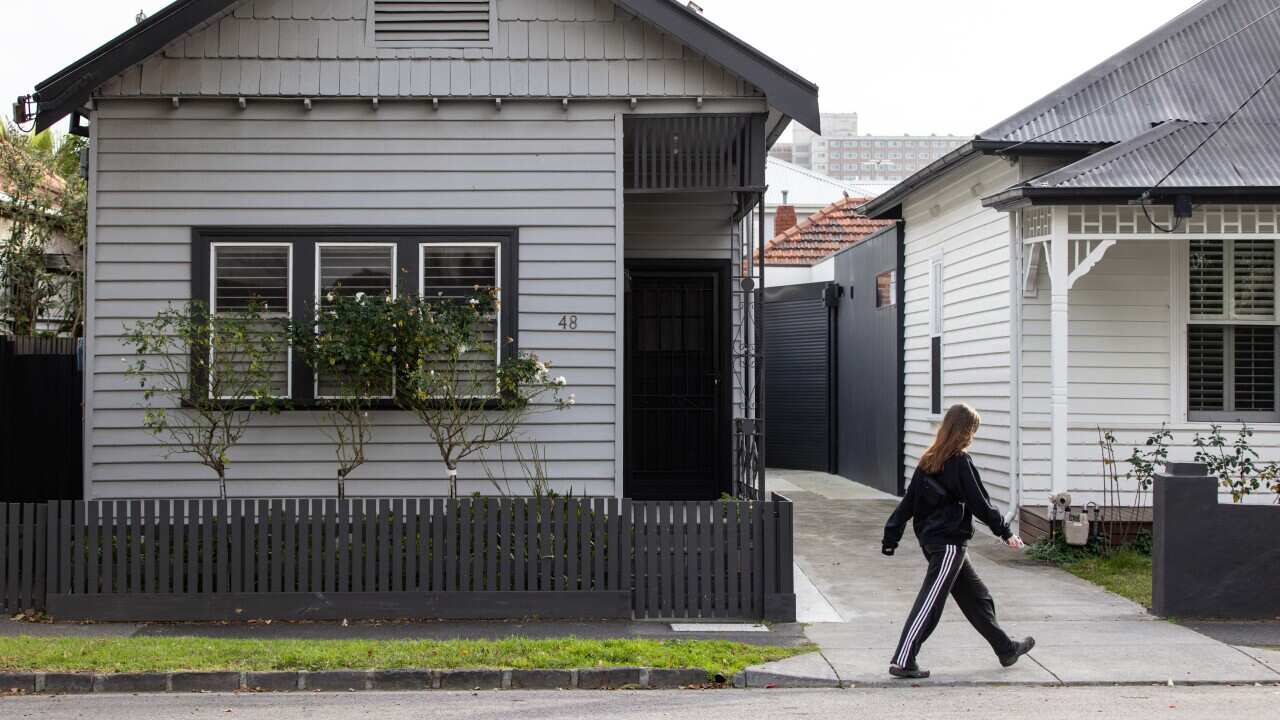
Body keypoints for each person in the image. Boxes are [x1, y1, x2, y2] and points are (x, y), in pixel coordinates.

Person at [882, 402, 1035, 679]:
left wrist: (891, 535)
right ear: (965, 431)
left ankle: (1006, 649)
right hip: (948, 544)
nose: (973, 435)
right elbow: (980, 504)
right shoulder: (959, 462)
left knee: (978, 598)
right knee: (930, 602)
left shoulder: (929, 459)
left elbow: (908, 504)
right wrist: (1005, 532)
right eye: (973, 429)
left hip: (938, 542)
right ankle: (904, 660)